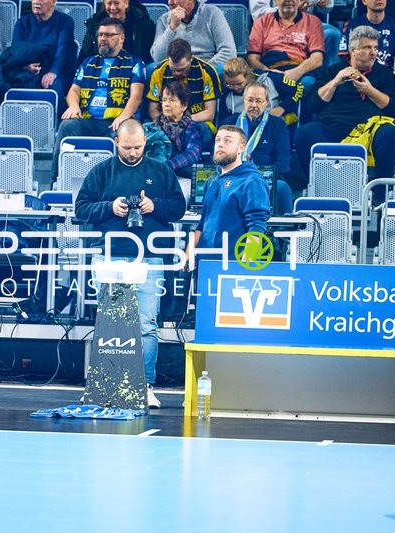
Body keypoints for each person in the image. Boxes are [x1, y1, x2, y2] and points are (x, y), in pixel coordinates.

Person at [75, 118, 187, 408]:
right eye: (127, 148)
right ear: (116, 143)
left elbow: (179, 208)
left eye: (138, 147)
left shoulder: (161, 170)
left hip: (150, 256)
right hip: (110, 254)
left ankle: (145, 385)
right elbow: (80, 208)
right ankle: (106, 384)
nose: (133, 152)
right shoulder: (101, 171)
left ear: (145, 143)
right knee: (109, 323)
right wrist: (110, 207)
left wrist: (155, 206)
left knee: (146, 323)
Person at [294, 26, 395, 186]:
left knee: (390, 132)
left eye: (375, 48)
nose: (373, 52)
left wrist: (370, 91)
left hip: (369, 130)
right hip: (334, 128)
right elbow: (312, 105)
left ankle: (380, 192)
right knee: (305, 133)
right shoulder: (332, 72)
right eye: (367, 47)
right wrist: (334, 83)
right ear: (353, 50)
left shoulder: (385, 74)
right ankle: (319, 188)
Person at [52, 18, 146, 180]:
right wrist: (74, 106)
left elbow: (136, 96)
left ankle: (117, 181)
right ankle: (57, 179)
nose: (102, 38)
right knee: (67, 126)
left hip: (115, 121)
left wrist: (123, 117)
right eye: (100, 34)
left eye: (109, 35)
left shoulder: (134, 63)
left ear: (121, 38)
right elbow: (74, 90)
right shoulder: (88, 63)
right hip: (88, 121)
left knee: (121, 133)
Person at [185, 125, 271, 266]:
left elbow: (257, 226)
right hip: (204, 265)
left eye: (227, 140)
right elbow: (202, 223)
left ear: (241, 148)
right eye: (218, 140)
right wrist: (188, 253)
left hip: (232, 265)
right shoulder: (212, 181)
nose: (220, 144)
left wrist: (246, 266)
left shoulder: (252, 181)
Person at [221, 81, 294, 214]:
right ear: (244, 100)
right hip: (233, 177)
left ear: (267, 103)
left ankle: (284, 226)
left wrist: (258, 177)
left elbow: (282, 163)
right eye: (250, 100)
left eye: (259, 101)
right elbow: (219, 156)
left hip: (264, 179)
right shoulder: (229, 124)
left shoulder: (278, 125)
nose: (254, 105)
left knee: (282, 188)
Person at [339, 0, 395, 117]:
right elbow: (347, 61)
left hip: (387, 79)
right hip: (358, 78)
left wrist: (385, 84)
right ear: (364, 1)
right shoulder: (352, 26)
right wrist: (363, 82)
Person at [147, 38, 221, 141]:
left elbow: (210, 113)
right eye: (173, 69)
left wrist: (181, 121)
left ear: (191, 58)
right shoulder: (158, 72)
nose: (177, 73)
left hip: (198, 121)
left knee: (198, 132)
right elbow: (153, 110)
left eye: (182, 69)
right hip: (165, 122)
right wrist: (168, 124)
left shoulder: (206, 72)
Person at [247, 0, 325, 92]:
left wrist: (297, 72)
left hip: (300, 69)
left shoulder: (313, 22)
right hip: (270, 69)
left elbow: (318, 58)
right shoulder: (261, 22)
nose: (288, 1)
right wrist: (268, 72)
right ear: (275, 1)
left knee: (308, 83)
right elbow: (252, 58)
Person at [250, 0, 341, 67]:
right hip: (273, 24)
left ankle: (325, 76)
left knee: (333, 34)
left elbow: (327, 9)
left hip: (307, 23)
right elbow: (258, 13)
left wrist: (325, 3)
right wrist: (290, 7)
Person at [150, 0, 236, 70]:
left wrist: (202, 70)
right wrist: (172, 27)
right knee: (150, 69)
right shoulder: (164, 20)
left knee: (222, 69)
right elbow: (158, 57)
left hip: (207, 68)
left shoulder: (212, 13)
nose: (170, 2)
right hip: (175, 69)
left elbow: (229, 52)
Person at [220, 56, 302, 126]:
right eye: (230, 84)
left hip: (274, 125)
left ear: (247, 75)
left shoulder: (269, 78)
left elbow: (298, 87)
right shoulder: (226, 92)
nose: (235, 88)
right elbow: (224, 121)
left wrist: (282, 108)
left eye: (239, 84)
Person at [149, 80, 205, 179]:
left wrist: (168, 165)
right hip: (156, 173)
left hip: (179, 173)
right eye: (164, 100)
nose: (166, 104)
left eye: (172, 100)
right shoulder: (153, 127)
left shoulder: (194, 127)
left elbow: (193, 154)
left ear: (184, 105)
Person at [78, 0, 156, 66]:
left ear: (126, 3)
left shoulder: (144, 25)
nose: (113, 8)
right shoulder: (94, 24)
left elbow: (149, 57)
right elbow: (85, 56)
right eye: (109, 3)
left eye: (116, 3)